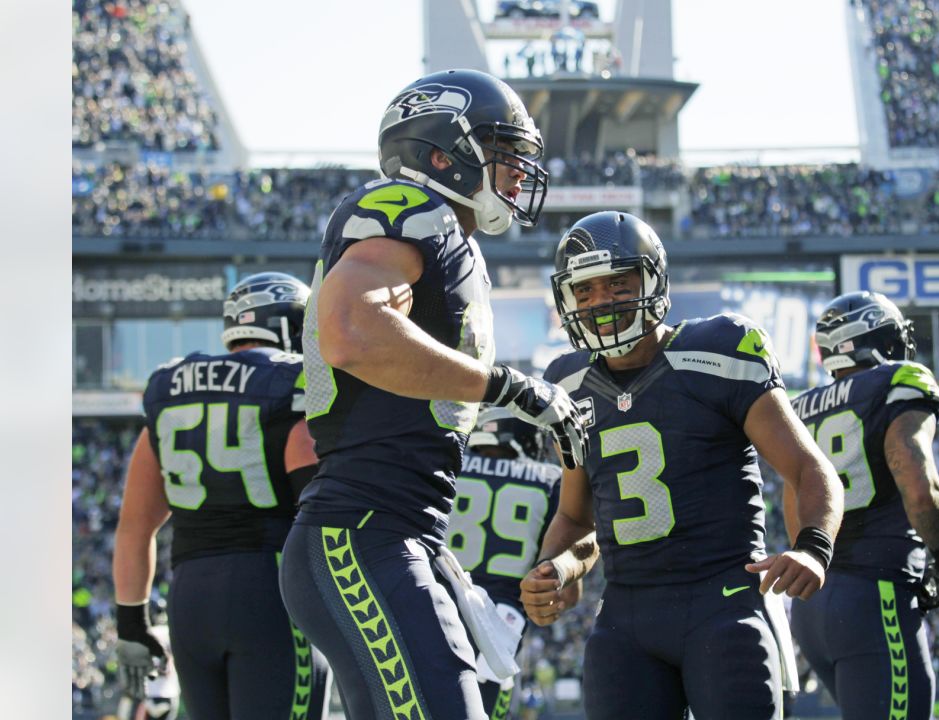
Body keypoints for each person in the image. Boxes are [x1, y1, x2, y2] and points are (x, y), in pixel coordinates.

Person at [276, 68, 588, 720]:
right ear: (440, 153)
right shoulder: (404, 211)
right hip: (362, 532)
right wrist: (506, 387)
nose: (516, 172)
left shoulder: (447, 237)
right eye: (501, 151)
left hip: (395, 531)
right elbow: (350, 329)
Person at [519, 211, 844, 720]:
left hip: (725, 602)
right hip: (626, 617)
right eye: (584, 291)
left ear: (652, 279)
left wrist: (813, 548)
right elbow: (578, 520)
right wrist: (556, 568)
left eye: (616, 284)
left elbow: (808, 469)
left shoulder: (720, 349)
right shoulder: (567, 383)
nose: (600, 303)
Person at [112, 271, 332, 719]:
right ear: (295, 324)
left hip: (190, 599)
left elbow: (135, 527)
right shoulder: (291, 384)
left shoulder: (170, 389)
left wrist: (130, 621)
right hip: (270, 592)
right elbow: (320, 510)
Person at [787, 291, 939, 720]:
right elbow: (919, 486)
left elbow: (795, 509)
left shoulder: (800, 408)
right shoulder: (899, 379)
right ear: (883, 337)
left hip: (813, 607)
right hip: (874, 594)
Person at [446, 406, 593, 718]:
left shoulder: (447, 465)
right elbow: (567, 594)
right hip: (499, 626)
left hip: (438, 612)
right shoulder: (550, 479)